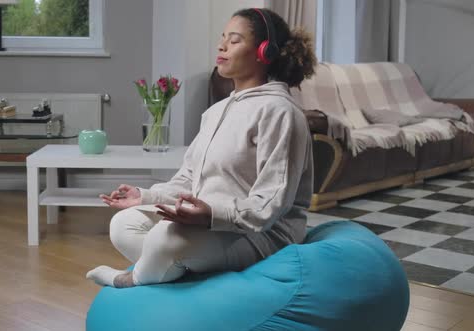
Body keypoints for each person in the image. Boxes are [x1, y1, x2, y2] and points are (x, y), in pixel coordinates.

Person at [86, 8, 317, 288]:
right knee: (123, 224)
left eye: (234, 40)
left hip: (261, 235)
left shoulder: (281, 112)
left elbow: (271, 203)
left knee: (164, 238)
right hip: (211, 226)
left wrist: (212, 215)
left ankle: (131, 279)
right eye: (222, 38)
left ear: (264, 52)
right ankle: (174, 267)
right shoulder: (217, 111)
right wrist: (145, 196)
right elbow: (188, 179)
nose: (221, 46)